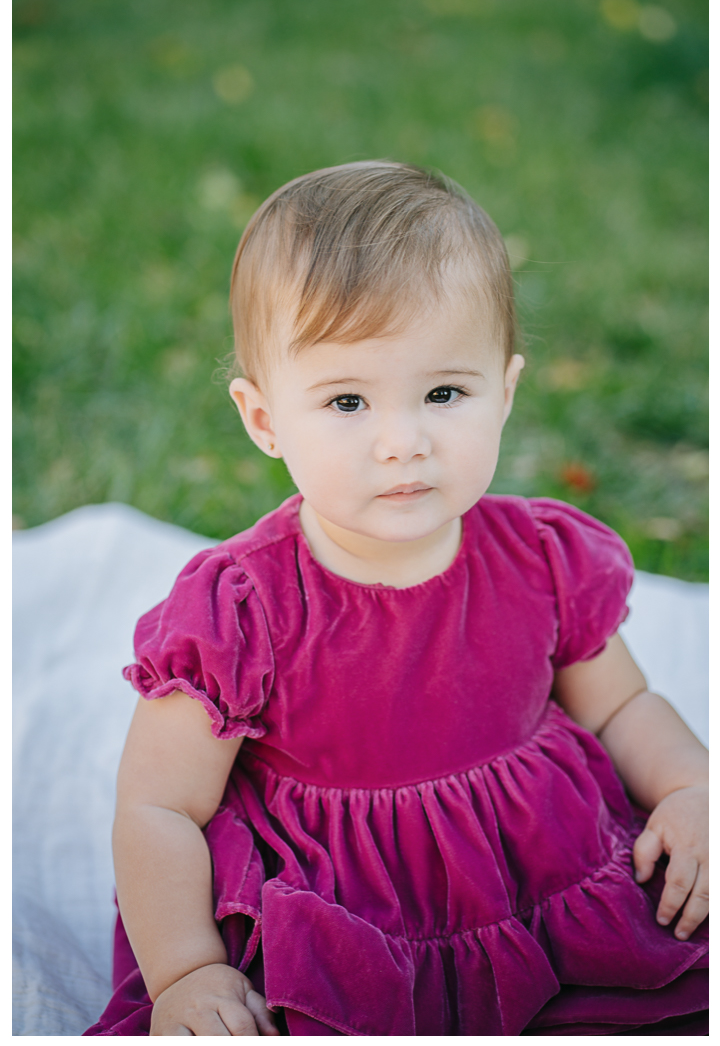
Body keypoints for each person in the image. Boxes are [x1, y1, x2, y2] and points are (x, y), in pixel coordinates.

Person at [85, 162, 708, 1037]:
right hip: (343, 911)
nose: (402, 442)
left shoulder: (538, 556)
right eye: (346, 400)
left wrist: (691, 784)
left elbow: (622, 707)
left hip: (535, 873)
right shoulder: (243, 610)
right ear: (264, 420)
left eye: (445, 393)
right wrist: (189, 970)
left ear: (508, 389)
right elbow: (159, 807)